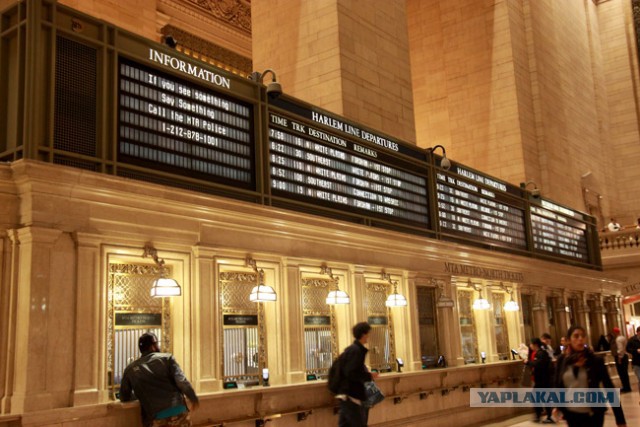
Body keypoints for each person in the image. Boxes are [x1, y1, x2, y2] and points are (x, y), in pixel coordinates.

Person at [120, 332, 199, 427]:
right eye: (157, 343)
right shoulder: (167, 359)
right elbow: (182, 382)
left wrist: (139, 395)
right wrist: (193, 397)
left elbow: (124, 397)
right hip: (180, 413)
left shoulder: (130, 369)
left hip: (156, 418)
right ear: (152, 346)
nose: (158, 346)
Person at [553, 326, 626, 427]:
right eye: (576, 336)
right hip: (571, 414)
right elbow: (558, 384)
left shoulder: (595, 360)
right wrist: (557, 406)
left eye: (583, 336)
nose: (580, 339)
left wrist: (620, 419)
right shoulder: (562, 360)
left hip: (593, 414)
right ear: (569, 340)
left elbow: (609, 387)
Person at [337, 322, 379, 427]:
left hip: (347, 396)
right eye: (368, 333)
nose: (368, 336)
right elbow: (351, 373)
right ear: (364, 334)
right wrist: (369, 376)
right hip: (352, 397)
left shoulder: (352, 349)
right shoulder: (356, 351)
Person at [526, 338, 554, 423]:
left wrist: (528, 362)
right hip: (542, 380)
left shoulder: (541, 353)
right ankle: (543, 416)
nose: (530, 346)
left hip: (543, 380)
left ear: (535, 345)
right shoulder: (540, 353)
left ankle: (543, 416)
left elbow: (538, 364)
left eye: (531, 344)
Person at [611, 327, 632, 393]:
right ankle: (627, 387)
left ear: (615, 332)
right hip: (625, 356)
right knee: (625, 373)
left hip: (621, 357)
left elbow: (620, 349)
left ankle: (626, 387)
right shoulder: (623, 337)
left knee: (622, 373)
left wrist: (619, 358)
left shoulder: (618, 339)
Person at [626, 326, 640, 397]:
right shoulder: (632, 340)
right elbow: (627, 349)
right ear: (637, 332)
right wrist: (636, 351)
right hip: (636, 363)